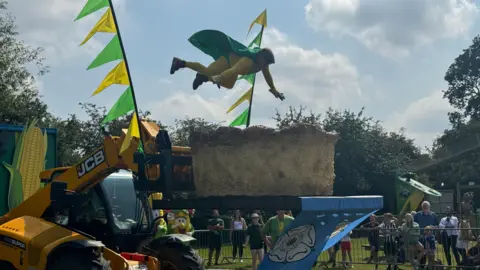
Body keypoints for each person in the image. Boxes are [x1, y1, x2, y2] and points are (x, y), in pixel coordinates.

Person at [170, 29, 285, 100]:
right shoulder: (248, 62)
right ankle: (180, 63)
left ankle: (203, 77)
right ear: (260, 57)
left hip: (230, 67)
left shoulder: (263, 65)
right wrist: (219, 77)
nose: (266, 66)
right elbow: (234, 70)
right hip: (225, 61)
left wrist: (274, 90)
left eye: (268, 64)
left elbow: (268, 76)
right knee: (209, 72)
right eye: (266, 62)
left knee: (229, 85)